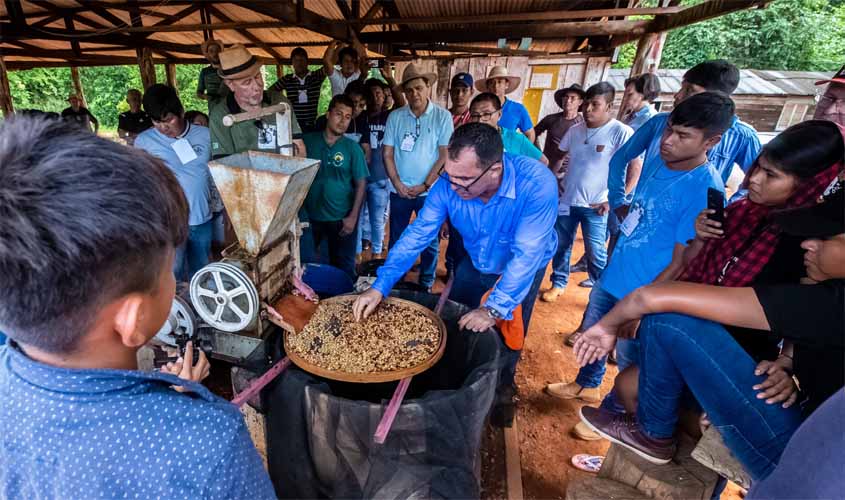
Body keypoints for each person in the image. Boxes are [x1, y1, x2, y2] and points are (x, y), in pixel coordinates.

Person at [0, 115, 274, 498]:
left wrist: (172, 402)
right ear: (133, 319)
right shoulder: (209, 443)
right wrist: (182, 415)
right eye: (167, 273)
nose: (176, 284)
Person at [574, 183, 844, 478]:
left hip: (808, 467)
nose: (808, 243)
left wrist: (607, 324)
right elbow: (804, 316)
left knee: (665, 320)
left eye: (827, 238)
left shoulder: (833, 304)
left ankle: (654, 434)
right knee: (637, 381)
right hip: (809, 429)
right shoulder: (822, 293)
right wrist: (787, 362)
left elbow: (651, 297)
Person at [544, 93, 733, 422]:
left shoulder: (704, 189)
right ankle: (586, 385)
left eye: (683, 136)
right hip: (615, 275)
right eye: (669, 130)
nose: (668, 141)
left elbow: (682, 262)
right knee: (594, 336)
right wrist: (619, 201)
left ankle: (615, 414)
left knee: (631, 359)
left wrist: (643, 308)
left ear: (712, 141)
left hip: (646, 292)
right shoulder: (661, 159)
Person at [353, 122, 558, 427]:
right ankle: (454, 380)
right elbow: (418, 235)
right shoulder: (448, 185)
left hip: (520, 268)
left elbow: (525, 256)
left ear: (494, 170)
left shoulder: (537, 184)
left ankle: (502, 387)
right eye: (450, 175)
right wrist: (380, 285)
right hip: (476, 261)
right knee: (456, 319)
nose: (454, 185)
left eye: (464, 179)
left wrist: (493, 308)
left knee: (509, 332)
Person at [608, 60, 761, 221]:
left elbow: (758, 182)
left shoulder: (742, 137)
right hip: (642, 221)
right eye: (669, 130)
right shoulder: (659, 122)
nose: (678, 95)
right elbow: (620, 158)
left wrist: (725, 212)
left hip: (692, 228)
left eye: (689, 90)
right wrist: (618, 201)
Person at [541, 83, 633, 303]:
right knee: (561, 244)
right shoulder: (575, 131)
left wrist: (615, 201)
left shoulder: (621, 132)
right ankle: (558, 283)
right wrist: (551, 180)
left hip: (598, 205)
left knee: (595, 253)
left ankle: (600, 294)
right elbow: (559, 156)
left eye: (595, 104)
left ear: (609, 106)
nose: (588, 109)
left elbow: (635, 168)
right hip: (567, 200)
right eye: (587, 104)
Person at [381, 64, 454, 291]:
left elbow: (444, 155)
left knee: (430, 241)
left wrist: (425, 184)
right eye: (410, 90)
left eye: (419, 88)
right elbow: (388, 153)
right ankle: (395, 282)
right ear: (404, 92)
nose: (415, 94)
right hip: (400, 191)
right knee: (397, 239)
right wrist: (397, 184)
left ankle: (426, 284)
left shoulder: (443, 117)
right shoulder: (396, 117)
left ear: (428, 87)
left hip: (430, 192)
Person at [136, 84, 213, 282]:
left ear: (181, 112)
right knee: (173, 271)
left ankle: (200, 307)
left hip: (201, 215)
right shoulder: (144, 142)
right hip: (169, 220)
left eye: (168, 119)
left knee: (202, 269)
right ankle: (175, 311)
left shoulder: (205, 135)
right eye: (156, 121)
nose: (163, 127)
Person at [302, 95, 369, 280]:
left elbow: (362, 183)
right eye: (339, 114)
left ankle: (345, 303)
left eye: (348, 117)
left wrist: (353, 217)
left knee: (344, 266)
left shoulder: (352, 148)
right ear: (328, 114)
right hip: (311, 217)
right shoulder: (307, 142)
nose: (342, 121)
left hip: (341, 218)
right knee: (308, 263)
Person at [209, 45, 306, 160]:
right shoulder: (220, 115)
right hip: (243, 176)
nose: (257, 87)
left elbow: (299, 148)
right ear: (230, 85)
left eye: (257, 77)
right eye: (247, 82)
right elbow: (223, 165)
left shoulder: (280, 102)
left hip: (282, 173)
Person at [357, 74, 405, 256]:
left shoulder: (390, 116)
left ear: (384, 96)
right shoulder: (361, 118)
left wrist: (391, 80)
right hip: (361, 178)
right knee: (360, 219)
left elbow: (401, 103)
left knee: (377, 220)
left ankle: (377, 255)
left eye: (379, 93)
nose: (375, 97)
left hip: (380, 178)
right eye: (371, 94)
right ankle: (358, 256)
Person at [469, 92, 547, 163]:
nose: (480, 120)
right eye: (475, 115)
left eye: (486, 114)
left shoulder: (516, 140)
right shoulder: (466, 139)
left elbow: (543, 162)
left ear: (499, 114)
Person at [271, 46, 331, 133]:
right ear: (292, 63)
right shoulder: (287, 79)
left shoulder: (316, 76)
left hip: (312, 125)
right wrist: (282, 103)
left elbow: (329, 63)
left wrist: (335, 44)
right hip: (293, 125)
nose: (299, 63)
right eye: (296, 60)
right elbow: (270, 92)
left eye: (302, 60)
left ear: (307, 62)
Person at [533, 83, 584, 173]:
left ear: (580, 102)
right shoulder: (551, 119)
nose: (568, 100)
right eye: (566, 97)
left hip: (568, 172)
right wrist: (539, 153)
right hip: (546, 167)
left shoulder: (582, 124)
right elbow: (532, 133)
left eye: (573, 98)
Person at [476, 65, 535, 141]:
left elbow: (530, 134)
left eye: (500, 82)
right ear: (488, 86)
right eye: (492, 83)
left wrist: (524, 152)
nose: (496, 86)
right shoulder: (480, 108)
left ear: (506, 85)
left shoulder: (518, 109)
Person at [196, 39, 228, 104]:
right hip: (213, 107)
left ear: (221, 52)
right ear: (207, 54)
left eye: (217, 51)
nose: (215, 53)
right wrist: (205, 96)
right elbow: (199, 92)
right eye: (211, 51)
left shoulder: (229, 69)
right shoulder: (205, 72)